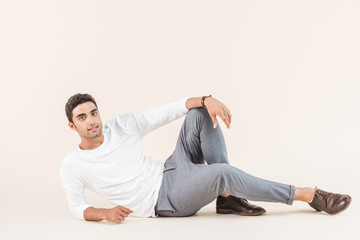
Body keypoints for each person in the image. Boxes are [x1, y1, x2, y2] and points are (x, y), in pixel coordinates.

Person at [60, 93, 352, 223]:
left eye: (94, 112)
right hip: (165, 201)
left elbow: (167, 111)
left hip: (171, 169)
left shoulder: (120, 125)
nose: (92, 121)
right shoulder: (74, 165)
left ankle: (226, 198)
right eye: (83, 117)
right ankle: (307, 195)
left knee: (198, 114)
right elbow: (76, 206)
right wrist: (103, 213)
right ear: (73, 126)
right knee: (221, 172)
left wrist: (205, 99)